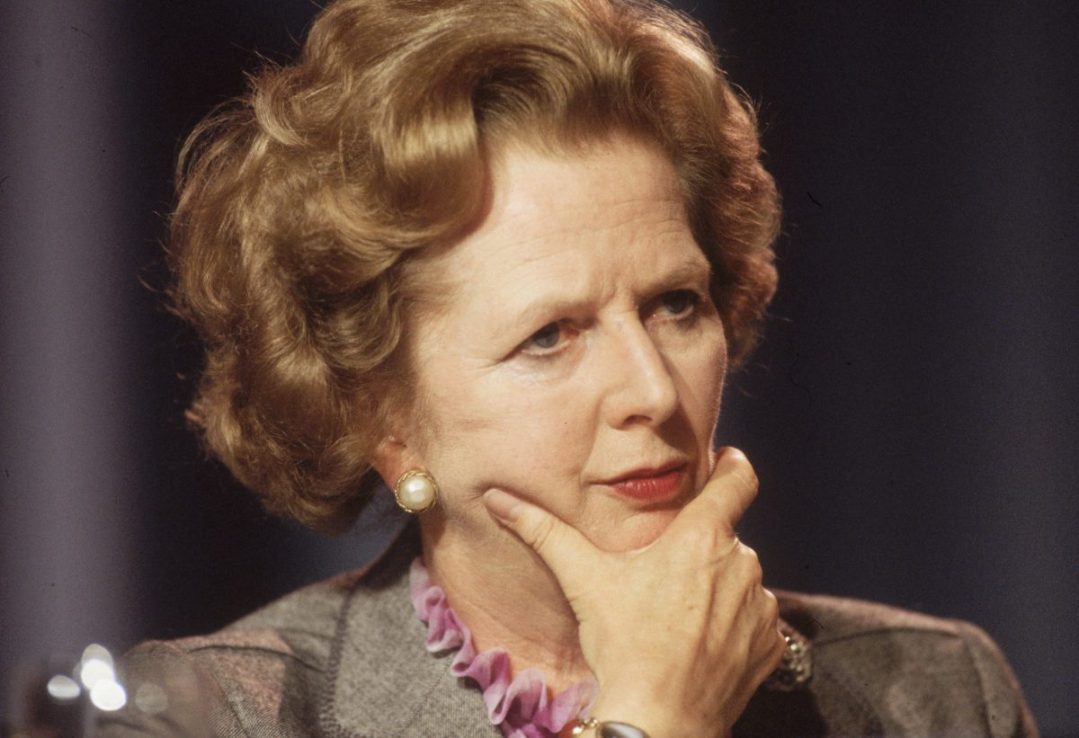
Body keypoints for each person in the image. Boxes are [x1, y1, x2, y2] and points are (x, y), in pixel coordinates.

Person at [99, 0, 1037, 736]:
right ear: (376, 412)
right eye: (549, 335)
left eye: (676, 304)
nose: (653, 393)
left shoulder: (938, 690)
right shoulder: (206, 713)